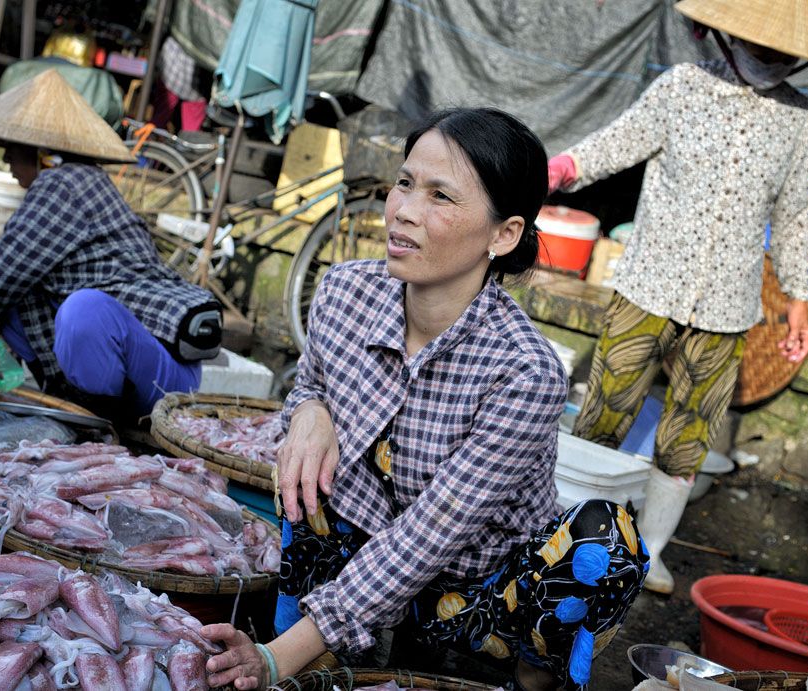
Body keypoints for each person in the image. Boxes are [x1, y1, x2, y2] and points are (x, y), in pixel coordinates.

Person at [201, 108, 649, 691]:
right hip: (358, 556)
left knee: (609, 541)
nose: (405, 210)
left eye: (441, 196)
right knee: (306, 464)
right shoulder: (343, 292)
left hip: (477, 593)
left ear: (503, 233)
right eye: (405, 183)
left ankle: (529, 682)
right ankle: (305, 652)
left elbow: (428, 539)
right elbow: (309, 383)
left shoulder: (524, 371)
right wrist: (309, 411)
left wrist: (270, 659)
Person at [547, 0, 808, 594]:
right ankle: (566, 536)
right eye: (764, 49)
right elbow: (620, 141)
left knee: (689, 438)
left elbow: (792, 214)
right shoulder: (683, 86)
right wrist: (565, 166)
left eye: (785, 55)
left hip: (727, 306)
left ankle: (648, 556)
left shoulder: (797, 117)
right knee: (603, 414)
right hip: (648, 286)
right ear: (728, 35)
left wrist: (796, 298)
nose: (774, 61)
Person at [0, 68, 222, 419]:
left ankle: (95, 423)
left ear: (42, 151)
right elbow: (7, 278)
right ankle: (74, 402)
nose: (6, 158)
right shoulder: (73, 180)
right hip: (133, 362)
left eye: (13, 147)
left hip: (163, 374)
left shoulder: (64, 183)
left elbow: (1, 268)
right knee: (16, 301)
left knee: (83, 309)